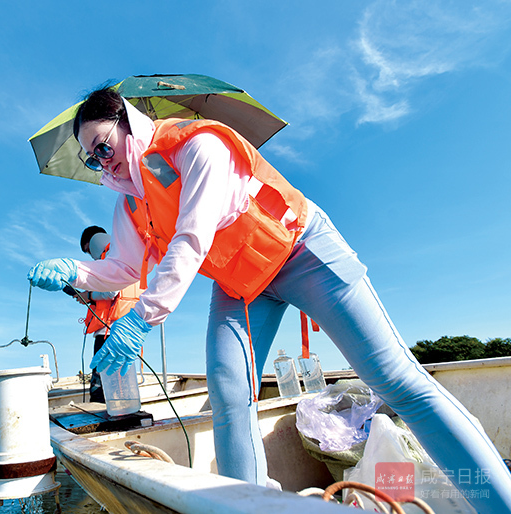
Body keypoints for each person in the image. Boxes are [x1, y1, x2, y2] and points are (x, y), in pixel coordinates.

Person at [28, 86, 511, 511]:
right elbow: (125, 270)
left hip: (301, 249)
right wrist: (77, 270)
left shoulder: (200, 145)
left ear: (127, 122)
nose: (100, 161)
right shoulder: (130, 202)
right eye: (91, 158)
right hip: (242, 285)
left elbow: (191, 241)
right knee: (228, 392)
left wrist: (142, 320)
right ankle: (248, 505)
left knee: (395, 379)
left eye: (102, 146)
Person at [68, 225, 143, 402]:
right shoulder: (126, 252)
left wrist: (89, 296)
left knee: (100, 389)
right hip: (127, 329)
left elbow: (111, 292)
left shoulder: (109, 257)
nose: (90, 256)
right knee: (121, 386)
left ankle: (103, 423)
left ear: (92, 242)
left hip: (108, 332)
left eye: (88, 250)